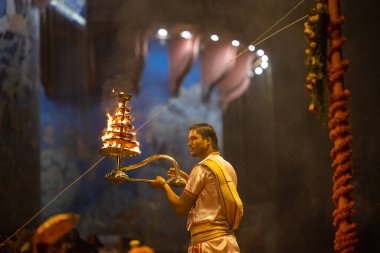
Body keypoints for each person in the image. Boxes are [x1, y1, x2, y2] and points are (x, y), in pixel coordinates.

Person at [150, 123, 243, 252]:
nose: (189, 143)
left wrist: (163, 185)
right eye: (189, 139)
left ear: (208, 141)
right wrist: (188, 180)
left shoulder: (202, 168)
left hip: (208, 245)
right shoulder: (227, 167)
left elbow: (181, 208)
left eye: (194, 138)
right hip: (227, 243)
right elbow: (210, 194)